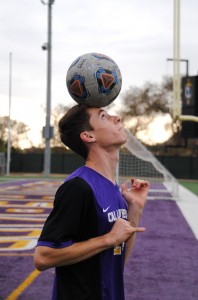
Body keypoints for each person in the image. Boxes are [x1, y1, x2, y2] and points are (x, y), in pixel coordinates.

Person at [34, 104, 149, 300]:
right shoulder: (78, 187)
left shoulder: (114, 189)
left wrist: (135, 210)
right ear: (88, 136)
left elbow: (117, 260)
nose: (118, 117)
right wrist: (108, 239)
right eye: (104, 116)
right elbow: (43, 257)